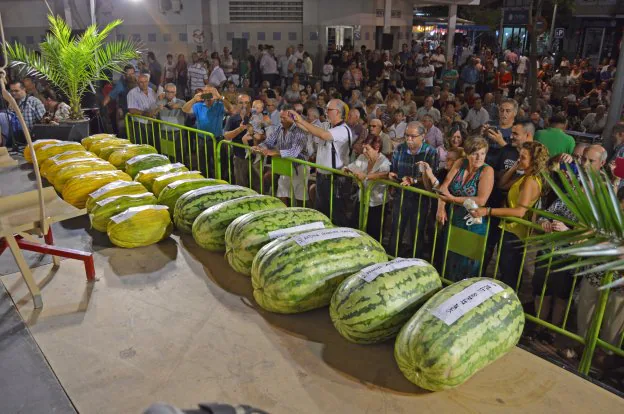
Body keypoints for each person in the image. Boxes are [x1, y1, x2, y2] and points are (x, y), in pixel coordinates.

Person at [470, 141, 549, 289]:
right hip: (508, 228)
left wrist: (488, 211)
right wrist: (515, 167)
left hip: (515, 231)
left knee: (509, 272)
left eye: (523, 157)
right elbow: (502, 184)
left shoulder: (531, 181)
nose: (519, 159)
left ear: (534, 160)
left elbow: (520, 211)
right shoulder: (525, 177)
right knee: (504, 268)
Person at [436, 137, 494, 281]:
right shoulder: (460, 163)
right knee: (450, 259)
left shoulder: (487, 170)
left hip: (473, 223)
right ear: (467, 153)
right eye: (475, 153)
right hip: (454, 218)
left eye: (483, 153)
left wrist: (453, 200)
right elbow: (444, 187)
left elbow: (481, 200)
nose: (479, 157)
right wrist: (441, 207)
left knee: (467, 264)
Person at [289, 99, 353, 226]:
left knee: (336, 215)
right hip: (322, 176)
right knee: (322, 213)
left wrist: (301, 121)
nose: (326, 112)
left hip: (336, 179)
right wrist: (295, 120)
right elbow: (309, 129)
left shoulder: (343, 130)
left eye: (328, 110)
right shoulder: (327, 125)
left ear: (338, 112)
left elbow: (323, 135)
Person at [388, 121, 439, 257]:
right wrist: (392, 176)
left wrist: (414, 180)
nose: (409, 139)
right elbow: (394, 170)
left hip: (420, 200)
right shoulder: (399, 149)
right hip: (401, 197)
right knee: (396, 231)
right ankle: (391, 258)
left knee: (417, 233)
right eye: (406, 136)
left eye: (413, 136)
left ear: (423, 136)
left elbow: (432, 177)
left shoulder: (431, 152)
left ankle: (415, 262)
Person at [253, 104, 309, 204]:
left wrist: (275, 153)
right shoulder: (280, 128)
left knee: (300, 198)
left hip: (299, 167)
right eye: (280, 117)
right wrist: (260, 147)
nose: (281, 120)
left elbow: (294, 152)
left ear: (292, 118)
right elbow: (269, 142)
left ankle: (302, 217)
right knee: (282, 194)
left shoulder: (300, 130)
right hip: (285, 166)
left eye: (284, 118)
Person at [344, 137, 391, 241]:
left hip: (377, 203)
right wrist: (351, 170)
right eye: (363, 148)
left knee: (374, 232)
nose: (364, 151)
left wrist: (366, 176)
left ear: (377, 148)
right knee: (356, 227)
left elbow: (385, 175)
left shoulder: (384, 162)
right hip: (362, 199)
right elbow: (351, 167)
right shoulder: (362, 157)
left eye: (367, 149)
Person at [182, 86, 233, 177]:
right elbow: (184, 109)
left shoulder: (219, 105)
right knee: (203, 165)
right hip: (202, 140)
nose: (208, 93)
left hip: (217, 140)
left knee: (221, 165)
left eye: (210, 91)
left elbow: (231, 109)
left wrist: (220, 97)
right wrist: (194, 99)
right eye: (205, 91)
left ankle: (221, 182)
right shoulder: (198, 105)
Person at [0, 80, 46, 147]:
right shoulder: (10, 103)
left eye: (16, 91)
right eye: (11, 91)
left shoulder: (34, 102)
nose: (13, 93)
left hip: (31, 140)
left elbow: (44, 123)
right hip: (15, 141)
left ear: (24, 89)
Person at [482, 98, 518, 165]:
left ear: (515, 113)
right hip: (485, 163)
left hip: (503, 166)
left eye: (508, 111)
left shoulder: (517, 130)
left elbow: (515, 155)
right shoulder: (490, 125)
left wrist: (501, 141)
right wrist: (481, 134)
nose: (503, 113)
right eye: (501, 110)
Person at [127, 73, 159, 144]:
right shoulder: (132, 93)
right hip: (140, 124)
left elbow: (155, 104)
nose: (144, 84)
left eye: (145, 81)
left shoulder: (152, 91)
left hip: (152, 122)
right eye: (141, 82)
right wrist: (146, 114)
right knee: (142, 144)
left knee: (153, 143)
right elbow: (132, 110)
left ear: (148, 82)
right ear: (137, 83)